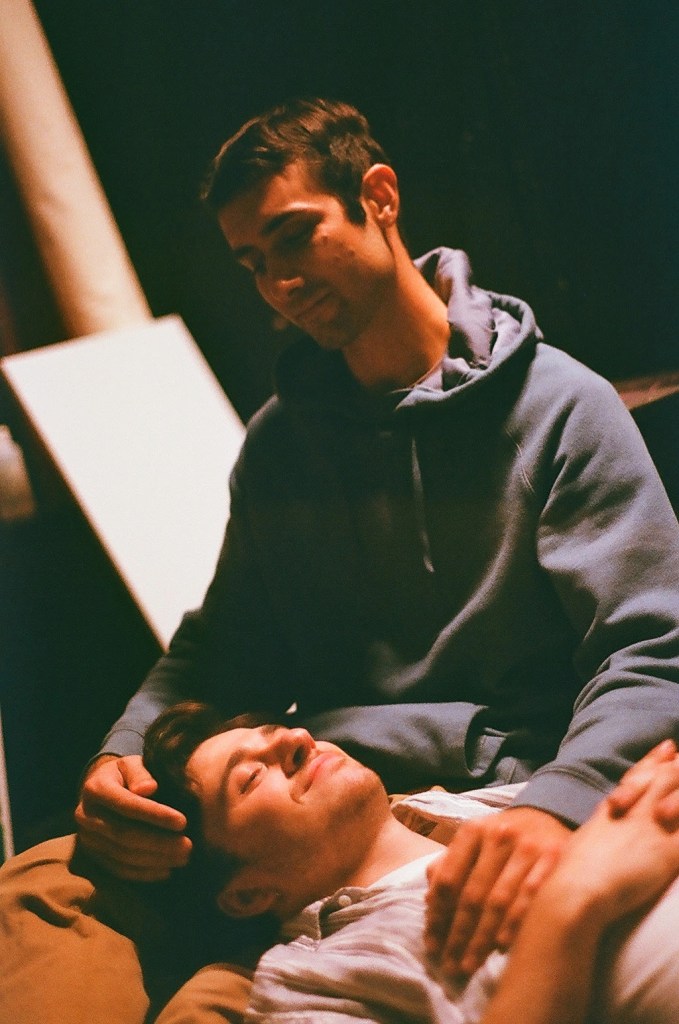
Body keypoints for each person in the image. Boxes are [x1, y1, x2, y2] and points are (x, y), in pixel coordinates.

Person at [1, 96, 679, 1022]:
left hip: (506, 795)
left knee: (218, 1001)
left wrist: (553, 807)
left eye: (294, 236)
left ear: (379, 198)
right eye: (252, 262)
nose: (279, 282)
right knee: (46, 881)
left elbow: (651, 650)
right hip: (315, 823)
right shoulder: (281, 447)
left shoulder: (559, 408)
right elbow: (223, 647)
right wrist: (119, 762)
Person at [140, 701, 679, 1024]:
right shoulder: (311, 983)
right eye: (250, 777)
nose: (298, 737)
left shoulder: (504, 806)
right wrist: (569, 905)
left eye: (277, 734)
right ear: (248, 895)